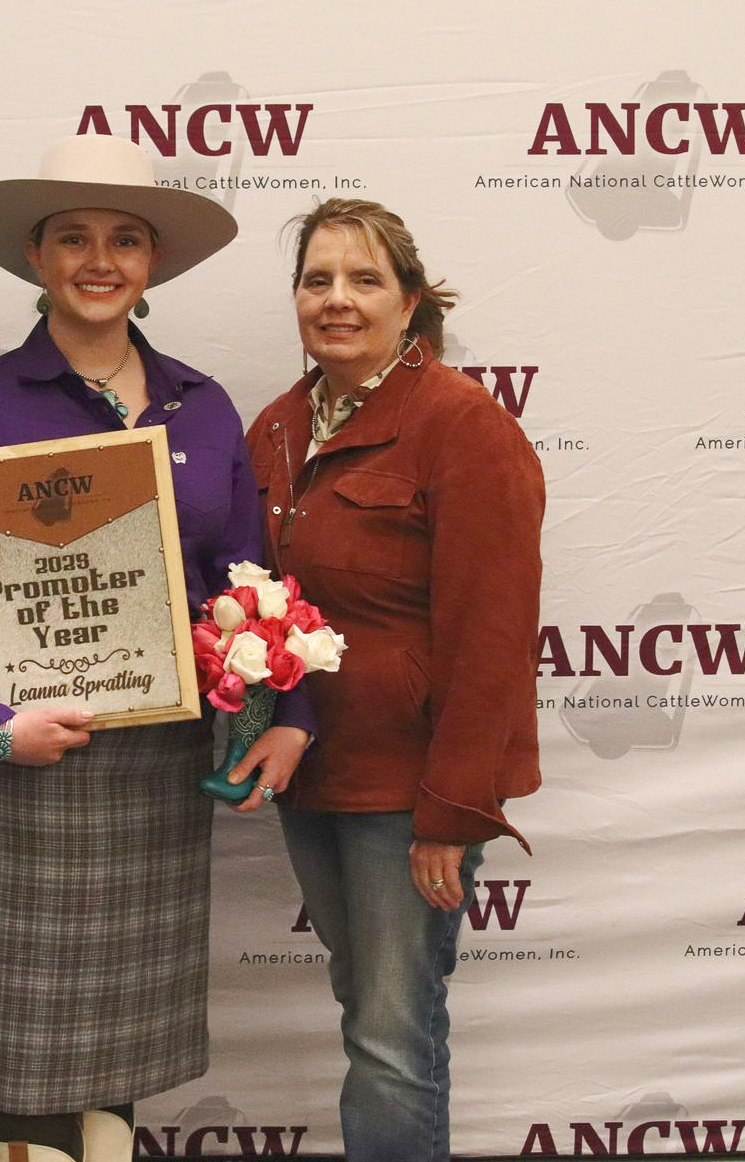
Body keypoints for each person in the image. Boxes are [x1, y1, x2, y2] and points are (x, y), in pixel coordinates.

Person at [0, 134, 316, 1162]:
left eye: (124, 237)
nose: (99, 258)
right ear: (37, 256)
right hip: (34, 758)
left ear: (152, 262)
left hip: (162, 764)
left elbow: (251, 585)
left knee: (121, 1053)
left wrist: (290, 713)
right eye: (73, 236)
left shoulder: (201, 406)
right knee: (29, 1051)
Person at [240, 198, 544, 1162]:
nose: (337, 300)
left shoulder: (463, 427)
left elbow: (491, 640)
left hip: (408, 794)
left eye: (364, 280)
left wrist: (452, 811)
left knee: (390, 1031)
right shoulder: (279, 427)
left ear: (409, 303)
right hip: (310, 772)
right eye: (316, 279)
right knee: (368, 1009)